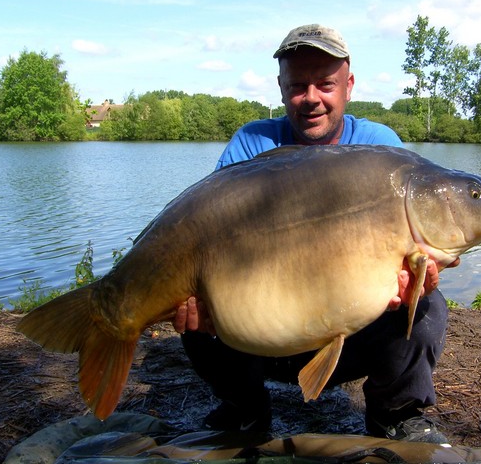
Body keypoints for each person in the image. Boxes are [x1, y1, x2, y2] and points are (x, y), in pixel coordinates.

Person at [175, 24, 456, 444]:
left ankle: (395, 415)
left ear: (348, 86)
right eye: (297, 85)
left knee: (427, 306)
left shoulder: (381, 150)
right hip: (260, 336)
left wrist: (420, 275)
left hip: (351, 332)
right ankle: (244, 410)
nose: (311, 98)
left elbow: (417, 250)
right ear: (281, 87)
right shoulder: (251, 145)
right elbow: (205, 238)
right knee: (194, 308)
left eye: (325, 84)